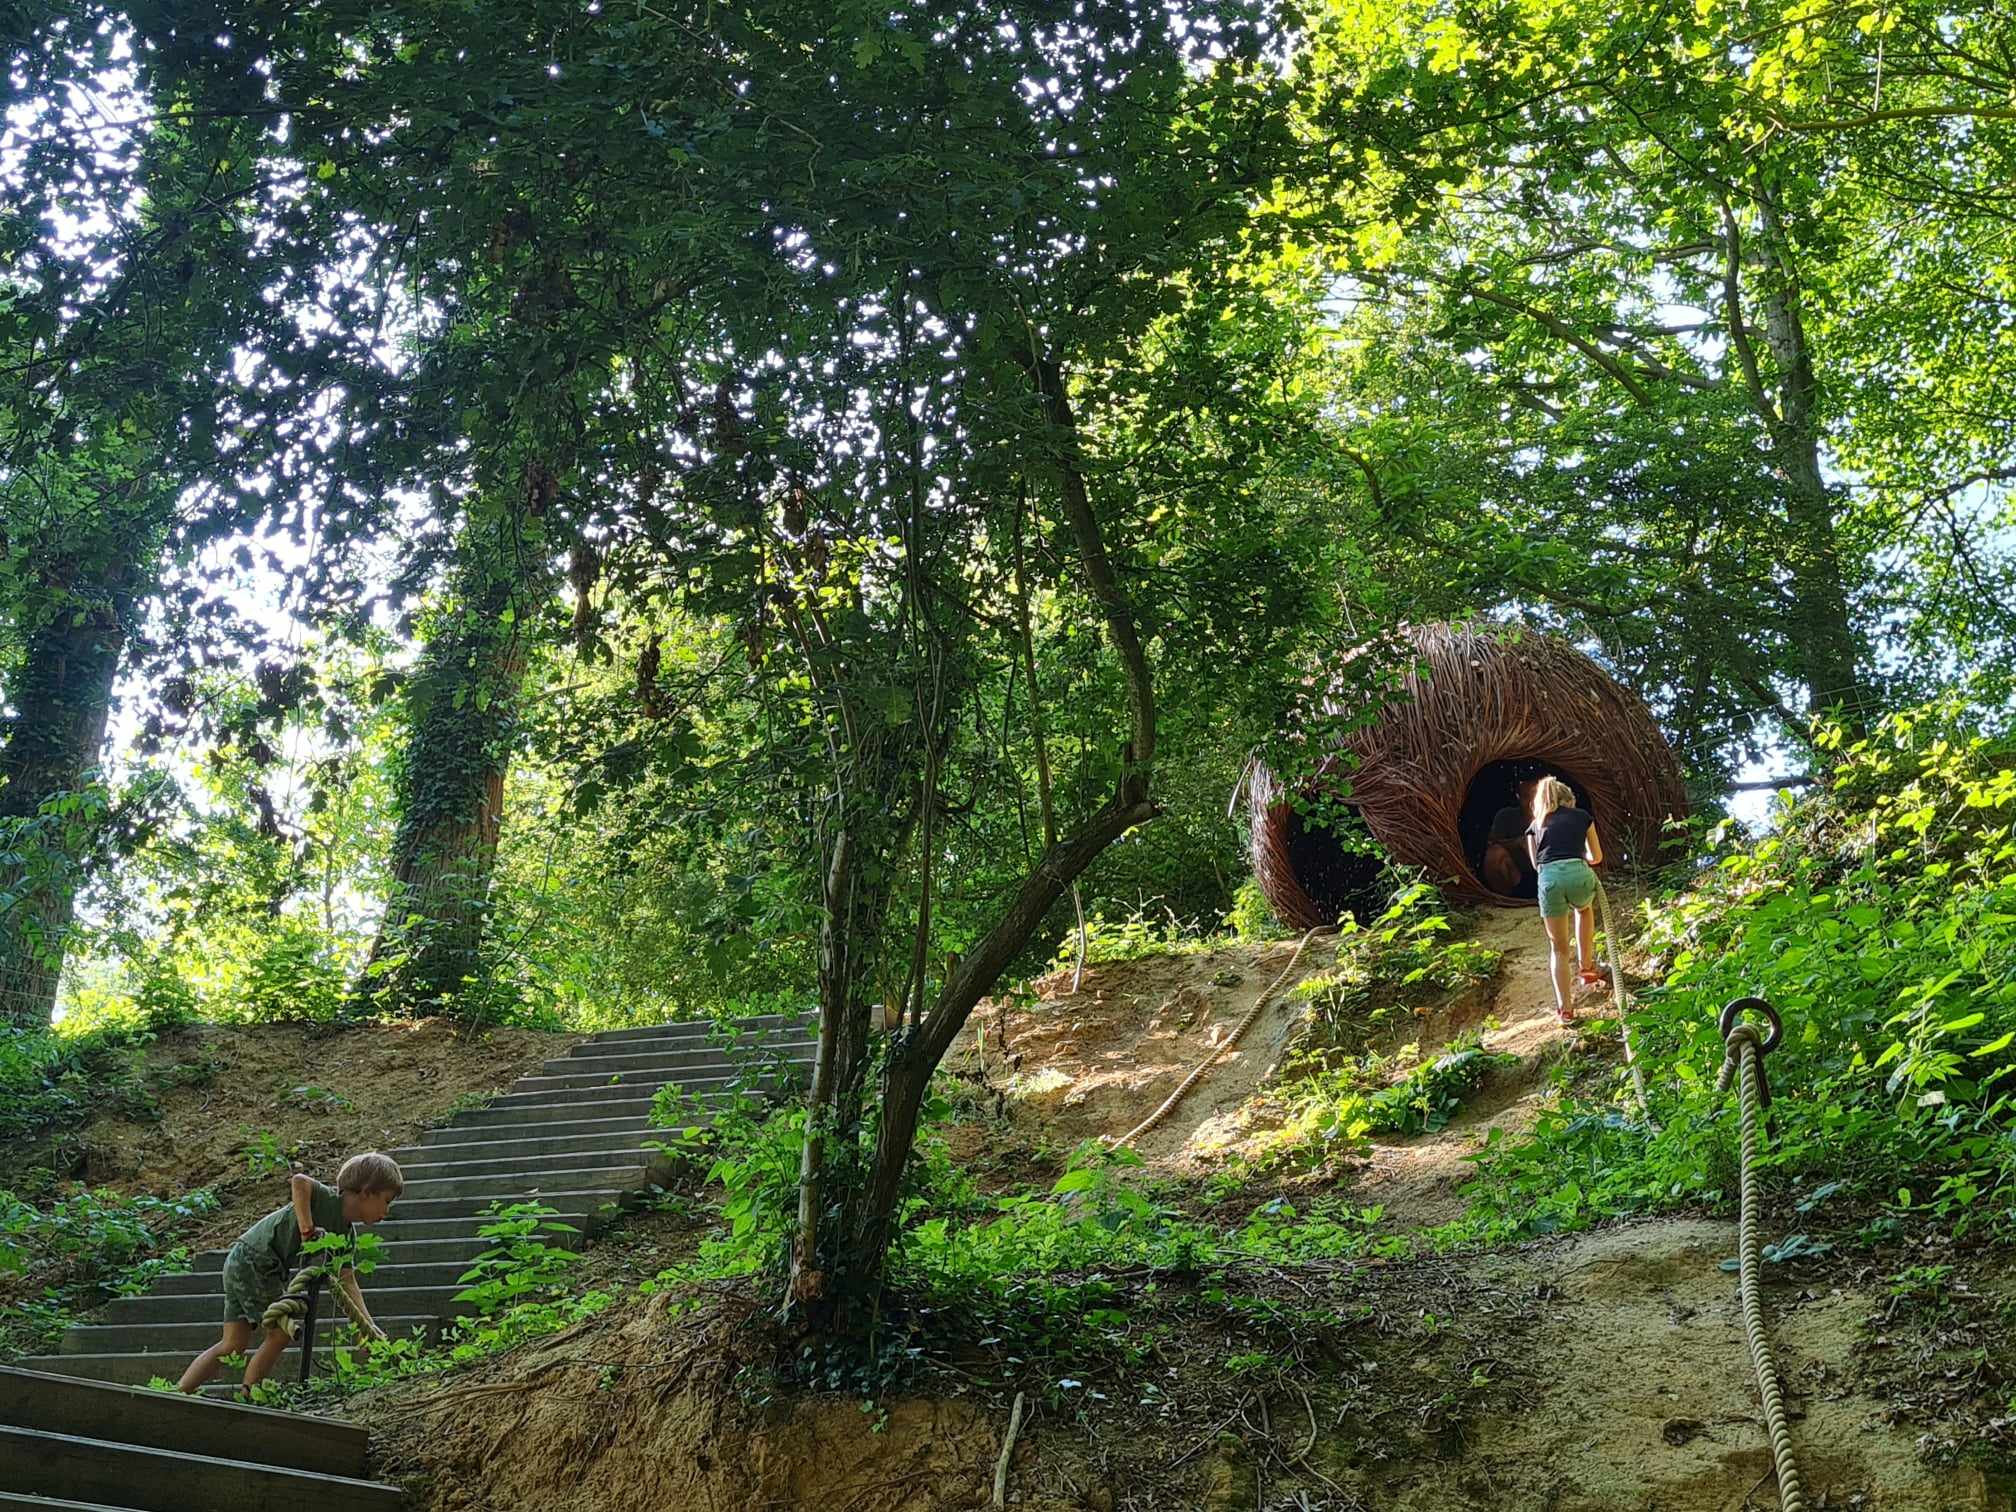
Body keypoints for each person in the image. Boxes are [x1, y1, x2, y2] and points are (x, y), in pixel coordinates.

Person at [176, 1152, 403, 1394]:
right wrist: (306, 1227)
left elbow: (348, 1281)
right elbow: (300, 1181)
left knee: (232, 1344)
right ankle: (249, 1394)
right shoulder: (326, 1199)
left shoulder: (346, 1237)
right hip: (257, 1261)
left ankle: (179, 1392)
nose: (386, 1211)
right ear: (367, 1192)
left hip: (244, 1259)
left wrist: (366, 1327)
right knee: (280, 1334)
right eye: (386, 1200)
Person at [1525, 776, 1606, 1025]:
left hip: (1549, 879)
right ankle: (1587, 968)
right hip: (1579, 874)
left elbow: (1535, 865)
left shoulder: (1534, 825)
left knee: (1558, 948)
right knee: (1584, 910)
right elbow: (1596, 857)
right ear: (1568, 801)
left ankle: (1566, 1010)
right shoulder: (1582, 816)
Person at [1481, 779, 1538, 895]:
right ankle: (1507, 897)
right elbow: (1492, 843)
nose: (1531, 802)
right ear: (1518, 797)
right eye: (1526, 797)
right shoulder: (1506, 816)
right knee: (1495, 854)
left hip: (1550, 873)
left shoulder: (1553, 816)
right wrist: (1518, 842)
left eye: (1536, 796)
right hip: (1517, 873)